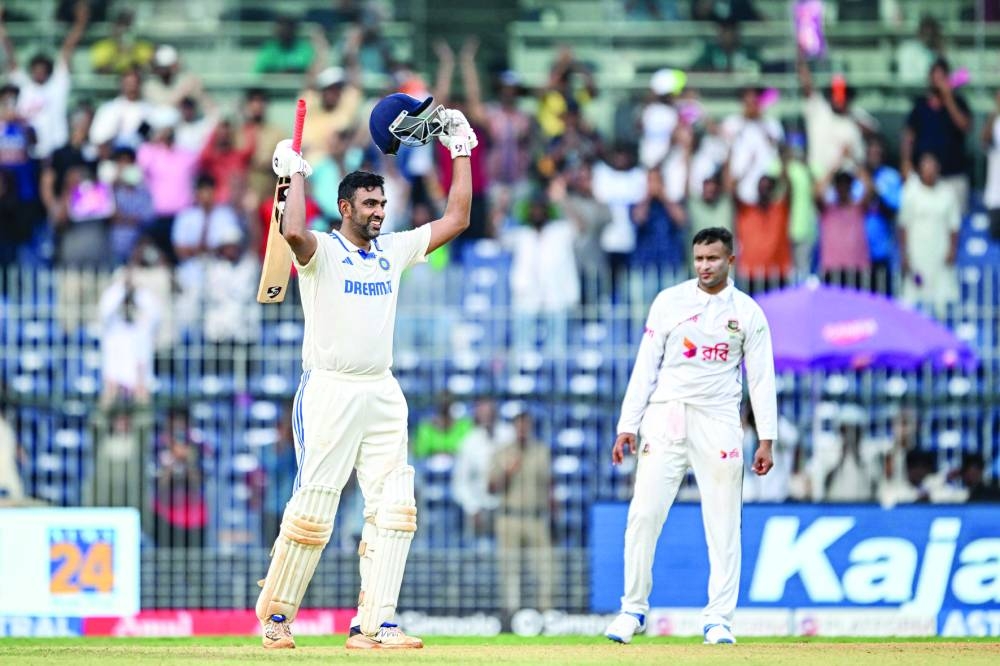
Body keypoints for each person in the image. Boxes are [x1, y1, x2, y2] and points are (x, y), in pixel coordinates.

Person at [254, 95, 477, 649]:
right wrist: (292, 174)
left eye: (382, 202)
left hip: (382, 389)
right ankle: (277, 617)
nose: (379, 211)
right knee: (315, 506)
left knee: (396, 506)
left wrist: (462, 148)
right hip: (329, 387)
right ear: (345, 207)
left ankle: (375, 623)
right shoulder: (324, 252)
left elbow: (458, 218)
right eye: (369, 204)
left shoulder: (393, 251)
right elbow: (292, 234)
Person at [603, 226, 776, 646]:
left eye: (712, 259)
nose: (704, 266)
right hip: (666, 416)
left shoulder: (747, 312)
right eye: (699, 259)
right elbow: (646, 366)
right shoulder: (669, 302)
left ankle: (718, 619)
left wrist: (766, 437)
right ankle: (632, 610)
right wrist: (628, 424)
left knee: (723, 523)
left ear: (730, 260)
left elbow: (762, 377)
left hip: (718, 420)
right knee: (644, 513)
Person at [0, 0, 88, 159]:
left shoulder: (57, 85)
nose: (39, 72)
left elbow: (67, 50)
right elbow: (10, 53)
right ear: (31, 70)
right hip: (26, 151)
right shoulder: (24, 86)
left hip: (55, 150)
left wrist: (80, 24)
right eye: (36, 69)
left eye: (43, 69)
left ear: (49, 70)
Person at [489, 410, 554, 617]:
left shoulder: (541, 451)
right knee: (509, 568)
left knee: (544, 565)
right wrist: (507, 472)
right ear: (514, 427)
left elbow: (550, 485)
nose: (523, 429)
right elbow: (490, 487)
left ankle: (546, 611)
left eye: (526, 424)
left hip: (535, 516)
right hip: (510, 517)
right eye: (519, 425)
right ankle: (511, 612)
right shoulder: (502, 452)